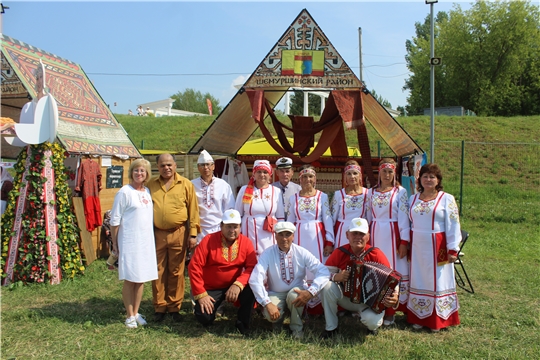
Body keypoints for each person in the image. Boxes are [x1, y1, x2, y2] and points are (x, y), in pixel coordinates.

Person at [249, 221, 330, 339]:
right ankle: (276, 324)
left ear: (293, 236)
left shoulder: (301, 252)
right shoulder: (268, 253)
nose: (284, 238)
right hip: (276, 293)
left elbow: (323, 271)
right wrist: (267, 303)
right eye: (281, 234)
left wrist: (311, 291)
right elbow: (255, 279)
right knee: (268, 313)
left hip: (297, 291)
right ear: (275, 236)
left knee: (294, 295)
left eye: (288, 234)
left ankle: (297, 328)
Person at [320, 217, 399, 338]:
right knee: (326, 287)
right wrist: (337, 277)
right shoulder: (340, 252)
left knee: (373, 322)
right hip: (346, 298)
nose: (357, 237)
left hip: (369, 302)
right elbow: (323, 274)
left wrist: (395, 295)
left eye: (361, 234)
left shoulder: (376, 253)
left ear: (368, 236)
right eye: (354, 233)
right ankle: (331, 327)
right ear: (347, 235)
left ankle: (370, 326)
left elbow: (392, 278)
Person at [407, 163, 461, 332]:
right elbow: (408, 223)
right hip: (417, 245)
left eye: (432, 177)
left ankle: (437, 319)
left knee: (437, 280)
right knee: (418, 278)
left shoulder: (446, 198)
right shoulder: (412, 199)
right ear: (419, 179)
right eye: (425, 176)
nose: (428, 180)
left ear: (438, 180)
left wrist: (453, 248)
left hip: (438, 246)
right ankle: (418, 316)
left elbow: (453, 224)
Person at [147, 153, 200, 322]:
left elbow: (193, 210)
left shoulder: (185, 184)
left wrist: (192, 234)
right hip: (157, 233)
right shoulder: (150, 185)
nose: (166, 168)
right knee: (158, 270)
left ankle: (174, 307)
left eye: (169, 165)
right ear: (157, 167)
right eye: (162, 165)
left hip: (179, 232)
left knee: (176, 271)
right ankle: (159, 306)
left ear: (175, 166)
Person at [188, 209, 257, 335]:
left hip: (234, 286)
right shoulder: (208, 240)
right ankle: (208, 311)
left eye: (235, 227)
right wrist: (201, 294)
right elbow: (194, 266)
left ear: (240, 227)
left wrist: (238, 284)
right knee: (204, 318)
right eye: (228, 226)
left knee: (252, 287)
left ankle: (242, 322)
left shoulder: (246, 242)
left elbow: (252, 267)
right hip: (211, 288)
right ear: (221, 226)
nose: (232, 230)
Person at [110, 159, 158, 328]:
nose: (139, 174)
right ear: (131, 172)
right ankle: (129, 315)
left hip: (145, 242)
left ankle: (136, 311)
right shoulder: (124, 192)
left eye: (143, 171)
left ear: (147, 174)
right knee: (130, 279)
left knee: (141, 279)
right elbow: (115, 219)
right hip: (129, 241)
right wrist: (115, 243)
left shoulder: (146, 192)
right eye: (136, 170)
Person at [367, 158, 410, 326]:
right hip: (376, 233)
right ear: (379, 173)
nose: (387, 175)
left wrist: (403, 241)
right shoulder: (372, 192)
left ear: (394, 173)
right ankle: (377, 307)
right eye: (384, 171)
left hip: (393, 235)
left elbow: (404, 218)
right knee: (378, 271)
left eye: (390, 171)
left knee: (393, 270)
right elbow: (368, 216)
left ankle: (392, 310)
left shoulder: (400, 192)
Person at [235, 159, 285, 256]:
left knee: (269, 256)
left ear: (270, 174)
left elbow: (280, 217)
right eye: (259, 172)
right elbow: (238, 214)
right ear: (254, 174)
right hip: (248, 230)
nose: (262, 175)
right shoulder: (244, 189)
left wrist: (281, 235)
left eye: (265, 172)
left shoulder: (276, 191)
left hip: (269, 233)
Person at [287, 165, 334, 264]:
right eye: (304, 176)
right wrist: (287, 238)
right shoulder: (293, 198)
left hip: (317, 236)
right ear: (300, 179)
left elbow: (327, 219)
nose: (307, 179)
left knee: (317, 261)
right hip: (299, 235)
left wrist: (329, 241)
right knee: (299, 261)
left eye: (310, 176)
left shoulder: (322, 196)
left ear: (315, 178)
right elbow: (290, 221)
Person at [191, 150, 235, 244]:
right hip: (199, 231)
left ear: (213, 166)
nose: (206, 167)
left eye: (208, 164)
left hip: (219, 229)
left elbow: (230, 209)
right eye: (202, 165)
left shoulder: (223, 185)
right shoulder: (191, 185)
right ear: (198, 168)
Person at [332, 159, 370, 248]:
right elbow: (332, 219)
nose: (352, 176)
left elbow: (370, 217)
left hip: (360, 232)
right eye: (349, 174)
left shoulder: (368, 193)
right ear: (345, 176)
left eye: (355, 173)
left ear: (360, 175)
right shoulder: (339, 194)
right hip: (343, 232)